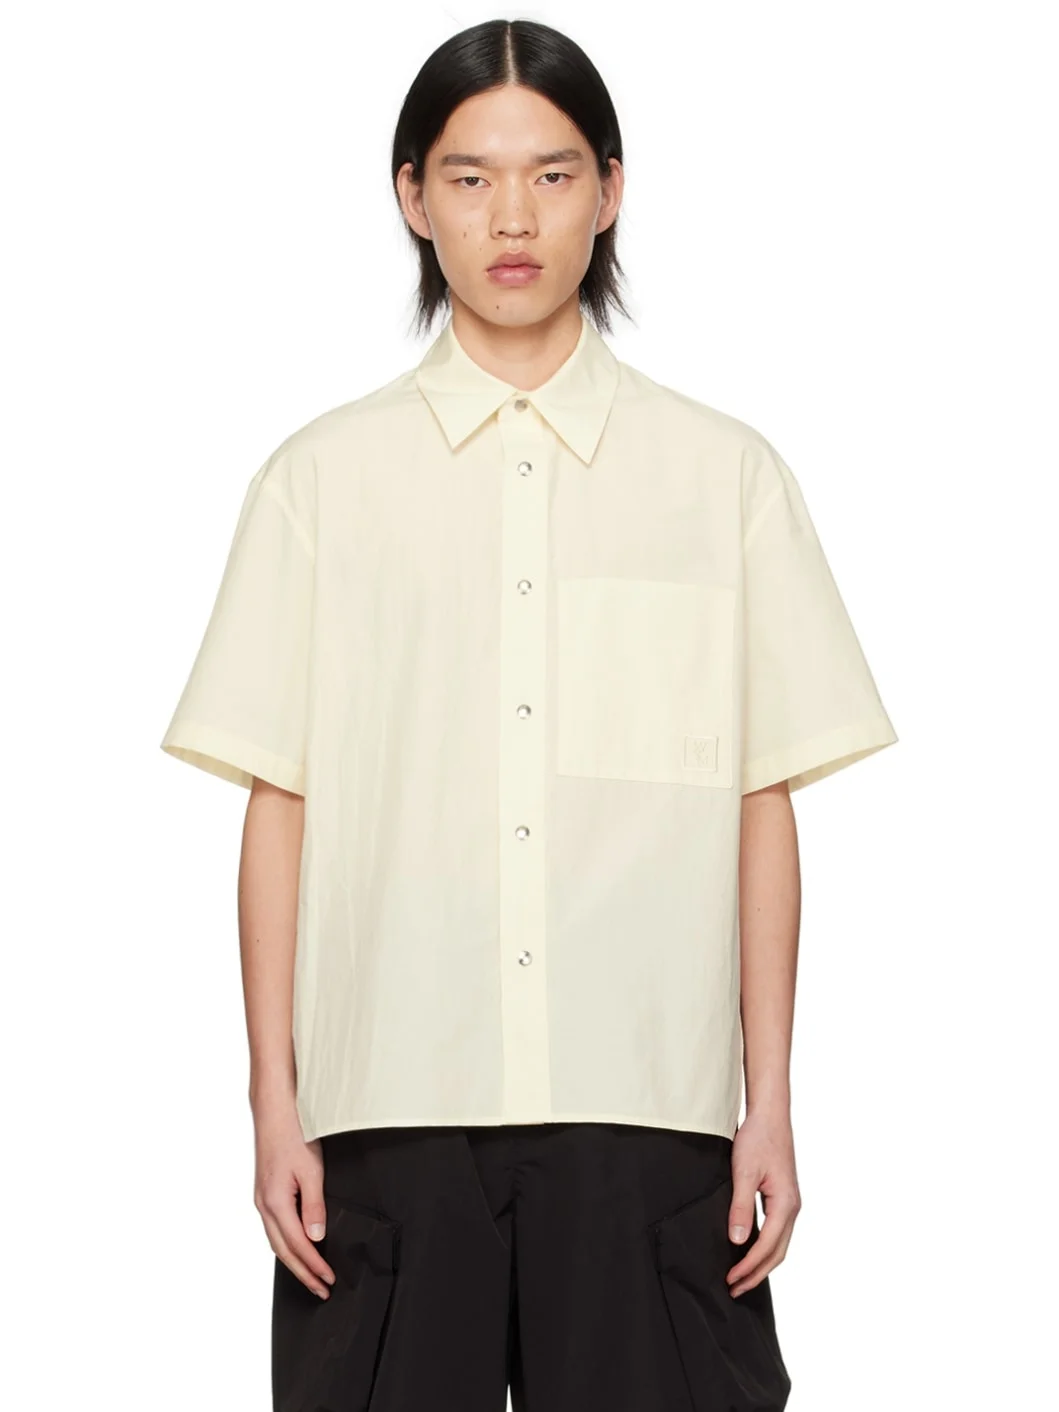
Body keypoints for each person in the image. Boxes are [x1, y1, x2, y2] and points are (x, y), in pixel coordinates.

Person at [160, 17, 897, 1412]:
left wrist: (771, 1104)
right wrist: (274, 1103)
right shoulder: (319, 484)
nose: (513, 218)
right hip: (386, 1114)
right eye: (471, 177)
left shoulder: (722, 479)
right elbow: (280, 802)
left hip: (648, 1118)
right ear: (411, 196)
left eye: (552, 176)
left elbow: (758, 801)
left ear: (610, 191)